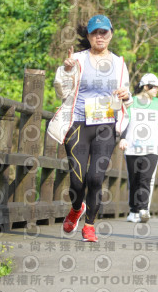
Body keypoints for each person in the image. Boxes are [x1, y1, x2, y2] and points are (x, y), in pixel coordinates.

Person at [47, 15, 132, 242]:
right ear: (88, 36)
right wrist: (66, 70)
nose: (99, 37)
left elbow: (126, 95)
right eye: (95, 33)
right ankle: (76, 208)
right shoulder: (76, 59)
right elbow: (62, 91)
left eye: (104, 32)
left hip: (105, 124)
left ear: (111, 34)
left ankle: (90, 225)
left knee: (96, 177)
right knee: (77, 179)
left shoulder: (119, 62)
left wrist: (126, 95)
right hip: (77, 123)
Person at [119, 73, 158, 223]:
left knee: (145, 178)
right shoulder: (131, 102)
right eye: (154, 86)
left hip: (152, 147)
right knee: (134, 178)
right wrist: (122, 138)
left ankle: (143, 209)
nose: (157, 89)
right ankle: (133, 210)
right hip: (132, 146)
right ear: (145, 87)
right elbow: (125, 121)